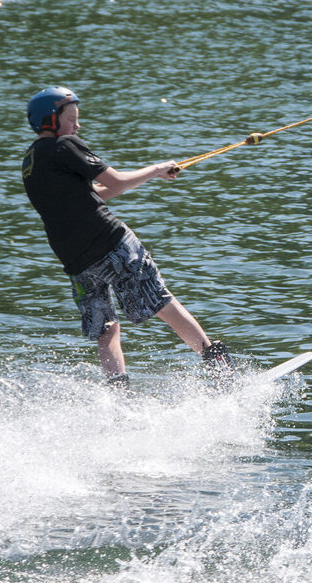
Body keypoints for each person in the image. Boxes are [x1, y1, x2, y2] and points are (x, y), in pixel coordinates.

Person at [20, 86, 233, 387]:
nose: (77, 126)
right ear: (50, 120)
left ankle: (120, 393)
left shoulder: (31, 160)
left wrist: (151, 177)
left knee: (106, 328)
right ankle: (220, 368)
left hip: (76, 260)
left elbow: (91, 195)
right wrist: (157, 168)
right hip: (111, 244)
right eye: (72, 118)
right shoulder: (65, 144)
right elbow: (115, 181)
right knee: (161, 301)